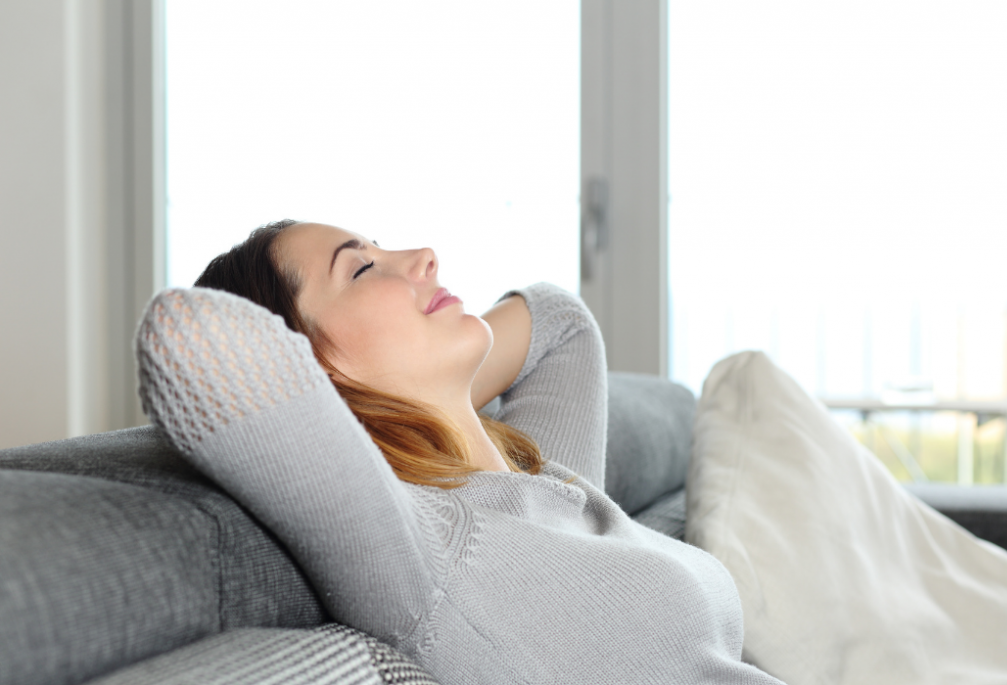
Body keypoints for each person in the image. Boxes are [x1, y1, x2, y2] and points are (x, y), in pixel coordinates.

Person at [134, 219, 784, 684]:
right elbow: (185, 334)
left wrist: (432, 397)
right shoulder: (419, 548)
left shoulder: (542, 477)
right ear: (306, 372)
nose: (423, 255)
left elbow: (560, 323)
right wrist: (358, 405)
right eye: (360, 267)